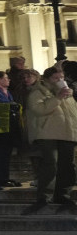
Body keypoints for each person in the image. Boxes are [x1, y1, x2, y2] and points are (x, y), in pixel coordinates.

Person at [24, 65, 77, 212]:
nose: (59, 80)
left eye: (61, 77)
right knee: (50, 164)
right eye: (56, 78)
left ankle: (63, 194)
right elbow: (39, 110)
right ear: (47, 79)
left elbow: (73, 113)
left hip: (68, 134)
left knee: (68, 166)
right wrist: (57, 98)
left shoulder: (68, 94)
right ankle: (45, 196)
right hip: (47, 134)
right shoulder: (38, 92)